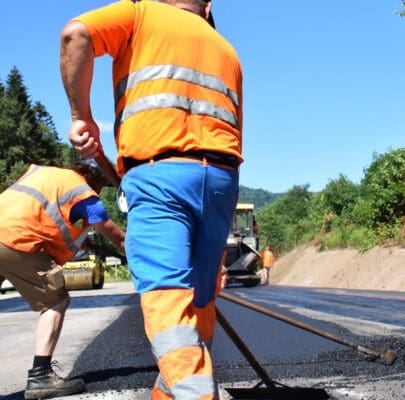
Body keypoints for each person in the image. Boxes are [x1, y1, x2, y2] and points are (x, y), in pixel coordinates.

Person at [60, 1, 243, 398]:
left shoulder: (140, 14)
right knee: (199, 296)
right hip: (222, 180)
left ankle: (196, 393)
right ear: (208, 8)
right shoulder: (225, 49)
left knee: (167, 295)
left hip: (160, 174)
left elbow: (76, 34)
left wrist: (81, 116)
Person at [0, 161, 126, 399]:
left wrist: (80, 240)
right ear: (96, 179)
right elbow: (119, 239)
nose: (100, 193)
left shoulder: (44, 173)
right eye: (102, 186)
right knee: (55, 300)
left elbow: (39, 212)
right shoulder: (84, 193)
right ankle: (41, 377)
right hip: (16, 240)